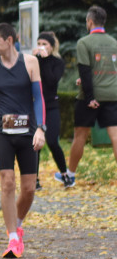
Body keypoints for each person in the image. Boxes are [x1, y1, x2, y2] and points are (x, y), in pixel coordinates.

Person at [0, 24, 47, 258]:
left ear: (9, 40)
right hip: (2, 132)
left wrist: (41, 128)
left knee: (29, 188)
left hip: (28, 131)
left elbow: (39, 99)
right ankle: (11, 238)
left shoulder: (30, 63)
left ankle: (17, 223)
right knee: (7, 182)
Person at [67, 5, 117, 182]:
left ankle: (70, 175)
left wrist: (90, 98)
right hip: (112, 95)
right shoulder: (114, 43)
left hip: (90, 97)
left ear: (89, 22)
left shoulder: (84, 42)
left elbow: (86, 71)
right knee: (115, 136)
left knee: (80, 135)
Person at [34, 32, 71, 188]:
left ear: (51, 46)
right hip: (35, 106)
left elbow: (51, 80)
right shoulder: (33, 61)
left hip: (51, 106)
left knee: (52, 141)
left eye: (45, 44)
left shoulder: (57, 62)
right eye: (39, 43)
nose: (41, 46)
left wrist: (45, 59)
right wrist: (36, 59)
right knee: (35, 144)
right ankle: (34, 179)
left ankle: (65, 175)